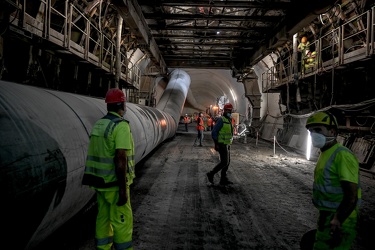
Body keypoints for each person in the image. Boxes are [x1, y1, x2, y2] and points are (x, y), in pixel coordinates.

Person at [82, 88, 135, 250]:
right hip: (114, 184)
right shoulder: (120, 126)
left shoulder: (99, 124)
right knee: (122, 223)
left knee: (103, 220)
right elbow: (120, 157)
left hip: (99, 183)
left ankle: (103, 248)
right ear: (122, 104)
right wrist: (122, 189)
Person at [305, 111, 361, 250]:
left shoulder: (342, 155)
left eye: (318, 130)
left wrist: (338, 219)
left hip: (341, 219)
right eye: (311, 131)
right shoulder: (325, 152)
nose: (313, 134)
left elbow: (351, 195)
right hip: (327, 216)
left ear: (332, 131)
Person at [206, 103, 234, 185]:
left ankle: (223, 179)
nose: (229, 112)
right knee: (224, 162)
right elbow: (214, 132)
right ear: (224, 111)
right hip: (221, 144)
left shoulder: (229, 120)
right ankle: (211, 173)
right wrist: (216, 144)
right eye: (228, 110)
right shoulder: (221, 120)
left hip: (227, 144)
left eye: (230, 111)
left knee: (227, 162)